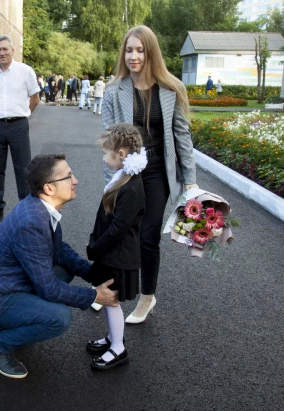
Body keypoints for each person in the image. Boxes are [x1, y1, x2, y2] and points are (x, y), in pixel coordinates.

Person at [0, 154, 119, 379]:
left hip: (8, 284)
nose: (75, 180)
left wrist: (93, 274)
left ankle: (25, 320)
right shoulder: (32, 222)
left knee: (65, 269)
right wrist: (95, 296)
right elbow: (49, 290)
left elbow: (60, 250)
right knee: (59, 318)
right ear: (49, 188)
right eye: (68, 176)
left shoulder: (40, 208)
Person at [101, 25, 198, 324]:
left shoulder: (171, 89)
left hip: (158, 172)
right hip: (128, 173)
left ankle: (147, 297)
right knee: (120, 231)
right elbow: (109, 141)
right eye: (129, 50)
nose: (133, 56)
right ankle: (111, 289)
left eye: (140, 50)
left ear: (150, 52)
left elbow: (182, 136)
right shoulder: (114, 91)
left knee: (148, 236)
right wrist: (112, 182)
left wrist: (190, 180)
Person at [86, 123, 146, 370]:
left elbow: (118, 229)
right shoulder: (123, 177)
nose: (103, 157)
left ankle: (118, 349)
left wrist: (96, 247)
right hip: (112, 253)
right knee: (111, 300)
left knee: (110, 300)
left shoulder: (131, 188)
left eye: (106, 153)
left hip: (118, 255)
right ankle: (113, 337)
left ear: (121, 155)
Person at [0, 34, 40, 223]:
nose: (2, 53)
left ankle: (25, 207)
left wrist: (22, 114)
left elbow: (35, 99)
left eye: (5, 49)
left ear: (13, 51)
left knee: (23, 168)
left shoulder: (25, 71)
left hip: (18, 125)